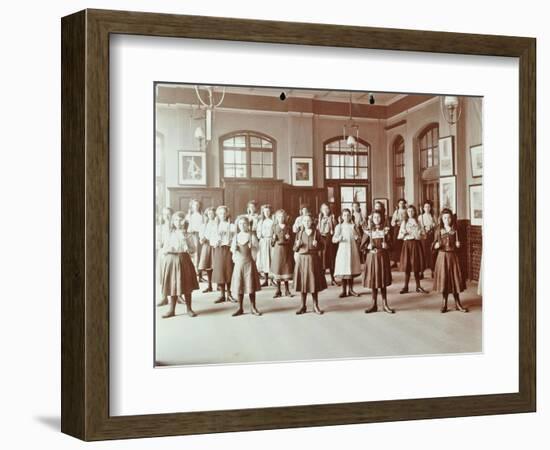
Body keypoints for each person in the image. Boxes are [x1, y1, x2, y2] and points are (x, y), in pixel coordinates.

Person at [160, 212, 199, 318]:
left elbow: (193, 250)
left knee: (186, 284)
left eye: (181, 220)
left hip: (184, 259)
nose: (178, 222)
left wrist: (188, 248)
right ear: (173, 222)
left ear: (184, 221)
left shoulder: (188, 234)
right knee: (173, 284)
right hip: (171, 259)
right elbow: (164, 248)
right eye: (176, 220)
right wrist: (169, 249)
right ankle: (171, 310)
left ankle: (189, 309)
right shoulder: (169, 233)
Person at [433, 209, 468, 313]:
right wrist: (436, 245)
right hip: (442, 257)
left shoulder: (455, 230)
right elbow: (433, 245)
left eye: (448, 218)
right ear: (441, 219)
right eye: (444, 218)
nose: (447, 220)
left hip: (453, 257)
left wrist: (459, 245)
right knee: (445, 280)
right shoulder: (438, 230)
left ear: (451, 219)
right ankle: (444, 303)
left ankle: (458, 303)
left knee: (455, 280)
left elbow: (461, 246)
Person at [361, 210, 395, 313]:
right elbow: (362, 247)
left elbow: (392, 246)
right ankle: (374, 304)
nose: (377, 219)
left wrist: (387, 246)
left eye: (378, 217)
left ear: (382, 218)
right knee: (374, 280)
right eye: (375, 217)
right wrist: (368, 247)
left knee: (382, 280)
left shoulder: (386, 231)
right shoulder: (368, 231)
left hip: (382, 257)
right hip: (372, 258)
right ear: (372, 219)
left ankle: (385, 304)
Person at [293, 214, 327, 314]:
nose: (307, 223)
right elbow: (294, 249)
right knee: (303, 283)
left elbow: (322, 247)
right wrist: (297, 245)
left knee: (313, 283)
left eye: (308, 221)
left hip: (313, 260)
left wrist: (318, 245)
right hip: (302, 260)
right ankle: (303, 306)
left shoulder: (317, 233)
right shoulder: (299, 233)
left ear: (311, 222)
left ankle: (315, 305)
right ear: (302, 222)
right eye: (305, 221)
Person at [230, 216, 263, 316]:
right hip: (239, 264)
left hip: (249, 263)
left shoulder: (251, 236)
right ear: (238, 225)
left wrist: (252, 247)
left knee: (250, 285)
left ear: (248, 225)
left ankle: (253, 307)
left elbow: (257, 249)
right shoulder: (236, 237)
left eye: (244, 223)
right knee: (239, 285)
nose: (242, 225)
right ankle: (240, 308)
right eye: (240, 224)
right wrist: (234, 249)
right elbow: (232, 251)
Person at [398, 205, 428, 294]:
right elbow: (399, 236)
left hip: (416, 244)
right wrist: (404, 233)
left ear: (415, 212)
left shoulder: (418, 222)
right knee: (407, 265)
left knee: (416, 265)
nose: (410, 213)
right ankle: (405, 286)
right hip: (407, 245)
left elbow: (424, 235)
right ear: (407, 212)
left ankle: (418, 286)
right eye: (409, 211)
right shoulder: (404, 222)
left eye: (412, 211)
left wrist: (419, 234)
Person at [333, 208, 362, 298]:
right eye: (344, 215)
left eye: (348, 215)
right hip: (343, 250)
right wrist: (338, 239)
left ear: (350, 216)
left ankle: (351, 289)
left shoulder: (353, 226)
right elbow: (333, 239)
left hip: (352, 249)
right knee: (343, 269)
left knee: (351, 269)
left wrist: (357, 238)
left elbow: (360, 238)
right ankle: (344, 290)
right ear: (342, 216)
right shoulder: (339, 227)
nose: (346, 217)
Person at [211, 205, 236, 304]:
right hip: (219, 249)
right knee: (220, 271)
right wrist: (215, 242)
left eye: (224, 213)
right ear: (217, 214)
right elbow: (211, 239)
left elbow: (235, 237)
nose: (223, 215)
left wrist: (231, 242)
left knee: (228, 270)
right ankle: (222, 294)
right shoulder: (215, 225)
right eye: (221, 213)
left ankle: (229, 294)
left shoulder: (231, 225)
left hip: (228, 249)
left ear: (227, 214)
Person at [270, 209, 295, 298]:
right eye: (279, 217)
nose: (281, 218)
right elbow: (272, 244)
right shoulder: (274, 227)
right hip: (277, 250)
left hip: (286, 250)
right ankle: (278, 290)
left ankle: (287, 290)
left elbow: (292, 241)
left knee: (286, 269)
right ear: (276, 218)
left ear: (285, 217)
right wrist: (273, 239)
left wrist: (289, 238)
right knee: (278, 269)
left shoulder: (288, 227)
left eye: (282, 217)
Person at [317, 203, 338, 286]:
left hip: (329, 239)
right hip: (322, 240)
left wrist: (333, 221)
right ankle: (323, 280)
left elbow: (336, 228)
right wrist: (319, 220)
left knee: (331, 260)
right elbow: (318, 229)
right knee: (322, 260)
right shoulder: (320, 218)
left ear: (329, 210)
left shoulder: (332, 218)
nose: (325, 210)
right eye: (324, 209)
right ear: (321, 210)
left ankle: (333, 279)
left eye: (327, 209)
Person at [156, 206, 173, 306]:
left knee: (173, 274)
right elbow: (157, 241)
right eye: (164, 214)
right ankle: (164, 297)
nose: (166, 216)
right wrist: (158, 243)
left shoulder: (175, 227)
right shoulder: (159, 227)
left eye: (168, 214)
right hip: (162, 253)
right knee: (163, 274)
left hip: (172, 253)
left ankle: (177, 296)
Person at [197, 207, 216, 293]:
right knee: (208, 265)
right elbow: (202, 237)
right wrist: (202, 239)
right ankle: (209, 285)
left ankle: (219, 285)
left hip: (215, 245)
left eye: (212, 213)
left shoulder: (217, 223)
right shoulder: (205, 225)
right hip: (207, 245)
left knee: (216, 265)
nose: (210, 215)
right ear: (207, 215)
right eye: (209, 214)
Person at [256, 204, 275, 287]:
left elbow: (275, 231)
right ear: (263, 212)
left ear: (270, 212)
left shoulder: (273, 221)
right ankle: (266, 279)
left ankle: (273, 279)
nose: (266, 213)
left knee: (272, 258)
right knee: (265, 260)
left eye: (268, 211)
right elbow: (258, 232)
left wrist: (273, 238)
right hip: (263, 242)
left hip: (271, 241)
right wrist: (260, 236)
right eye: (265, 212)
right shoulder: (261, 222)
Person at [185, 199, 204, 271]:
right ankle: (191, 269)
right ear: (191, 206)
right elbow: (186, 227)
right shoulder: (189, 215)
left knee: (197, 252)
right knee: (191, 251)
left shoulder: (201, 216)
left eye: (197, 205)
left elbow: (202, 227)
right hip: (190, 235)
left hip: (198, 235)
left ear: (199, 206)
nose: (196, 206)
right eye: (194, 205)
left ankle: (197, 270)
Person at [419, 200, 436, 278]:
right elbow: (418, 227)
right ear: (423, 208)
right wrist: (424, 229)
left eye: (428, 207)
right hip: (423, 237)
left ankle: (433, 271)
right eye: (425, 207)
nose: (427, 208)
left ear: (430, 208)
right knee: (423, 254)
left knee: (432, 253)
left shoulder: (433, 216)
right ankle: (421, 272)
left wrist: (432, 226)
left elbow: (436, 226)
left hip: (431, 237)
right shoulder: (420, 217)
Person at [390, 198, 408, 267]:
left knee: (403, 244)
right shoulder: (396, 211)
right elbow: (392, 222)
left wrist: (403, 222)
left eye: (403, 203)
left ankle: (403, 261)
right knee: (395, 244)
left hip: (404, 228)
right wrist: (395, 222)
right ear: (398, 204)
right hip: (397, 229)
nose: (401, 204)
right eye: (400, 203)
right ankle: (395, 261)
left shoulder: (406, 211)